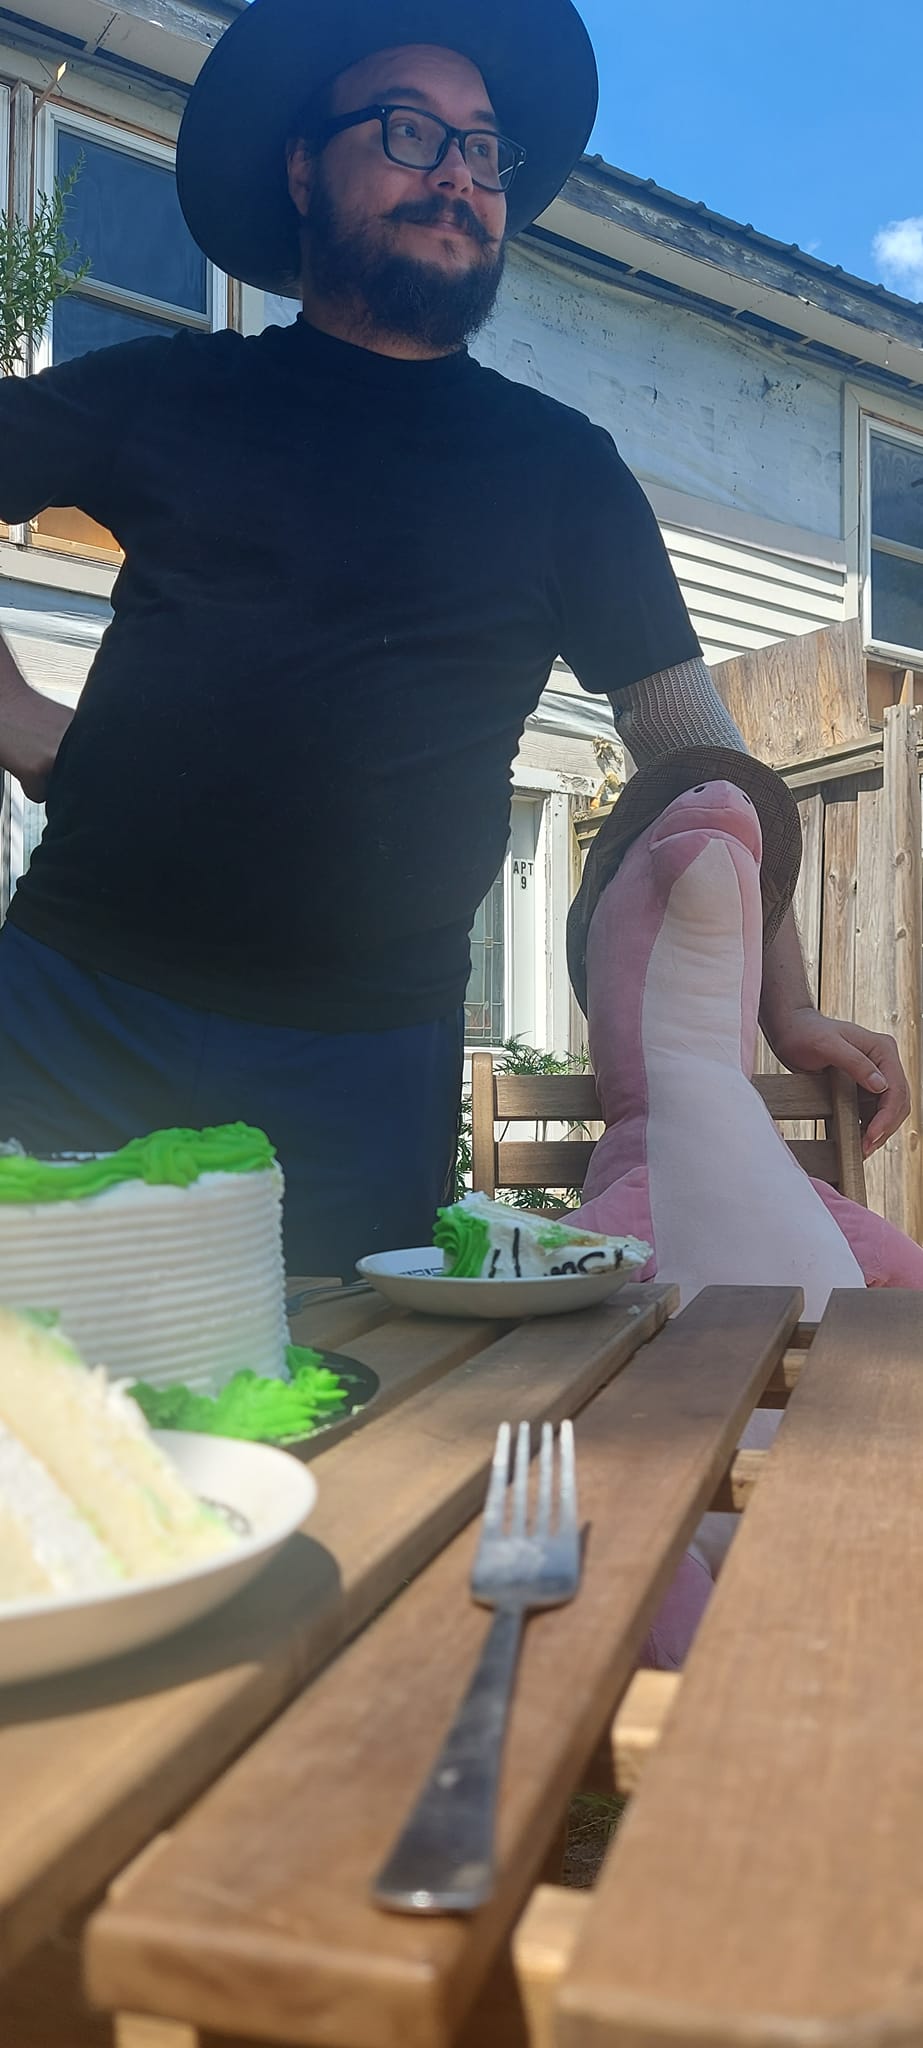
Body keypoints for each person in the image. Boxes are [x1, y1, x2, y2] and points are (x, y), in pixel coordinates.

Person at [0, 0, 908, 1277]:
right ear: (304, 166)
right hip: (72, 1014)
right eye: (411, 129)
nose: (457, 177)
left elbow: (694, 761)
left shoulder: (560, 471)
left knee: (328, 1437)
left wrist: (787, 1002)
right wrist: (20, 716)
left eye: (484, 152)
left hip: (358, 1069)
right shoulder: (173, 392)